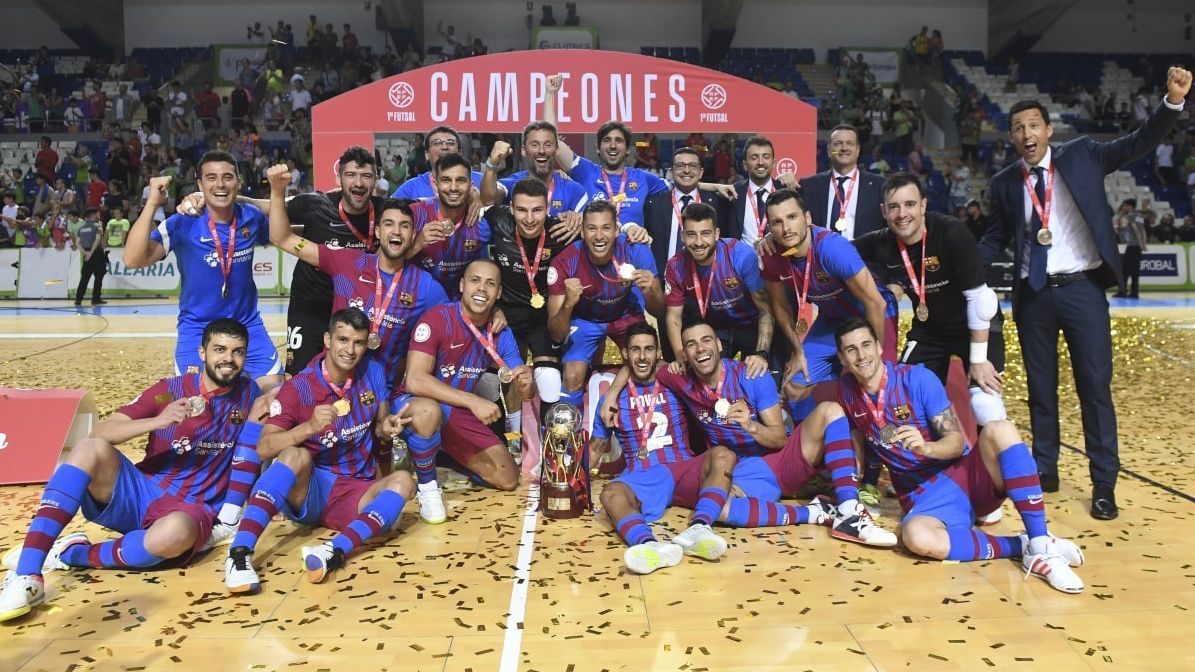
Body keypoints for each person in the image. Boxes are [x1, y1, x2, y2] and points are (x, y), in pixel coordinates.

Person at [979, 66, 1192, 520]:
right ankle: (1046, 468)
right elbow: (992, 239)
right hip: (1033, 294)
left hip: (1083, 290)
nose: (1026, 133)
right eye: (1018, 128)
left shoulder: (1083, 155)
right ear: (1012, 138)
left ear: (1048, 130)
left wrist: (1171, 102)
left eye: (1033, 124)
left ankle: (1103, 483)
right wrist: (958, 266)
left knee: (1094, 388)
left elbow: (1137, 142)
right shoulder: (1003, 184)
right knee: (1040, 388)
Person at [0, 319, 266, 620]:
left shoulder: (249, 393)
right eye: (220, 350)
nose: (228, 359)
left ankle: (72, 554)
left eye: (237, 352)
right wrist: (158, 421)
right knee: (89, 448)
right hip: (142, 490)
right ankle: (27, 575)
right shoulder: (168, 390)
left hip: (192, 508)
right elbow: (103, 430)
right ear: (202, 353)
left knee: (174, 534)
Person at [834, 318, 1086, 593]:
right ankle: (1024, 545)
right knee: (916, 538)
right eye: (851, 350)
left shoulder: (916, 379)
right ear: (842, 358)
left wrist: (926, 448)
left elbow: (955, 442)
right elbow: (868, 431)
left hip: (964, 477)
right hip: (924, 499)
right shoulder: (847, 391)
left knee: (1000, 429)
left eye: (866, 345)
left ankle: (1040, 543)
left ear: (880, 347)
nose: (861, 356)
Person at [601, 321, 896, 546]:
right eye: (691, 344)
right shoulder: (682, 379)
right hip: (738, 472)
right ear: (685, 354)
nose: (700, 349)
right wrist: (613, 391)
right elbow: (641, 364)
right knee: (720, 507)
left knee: (830, 410)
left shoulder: (750, 374)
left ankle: (848, 509)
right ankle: (816, 513)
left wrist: (751, 426)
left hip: (776, 461)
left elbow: (780, 438)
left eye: (706, 341)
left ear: (718, 345)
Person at [223, 309, 412, 592]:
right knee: (294, 454)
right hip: (312, 490)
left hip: (356, 490)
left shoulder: (373, 371)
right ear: (327, 339)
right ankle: (239, 553)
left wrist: (386, 428)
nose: (350, 350)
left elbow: (380, 424)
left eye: (358, 342)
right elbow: (263, 448)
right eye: (343, 340)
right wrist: (308, 427)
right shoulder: (299, 387)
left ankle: (333, 551)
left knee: (404, 481)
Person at [264, 165, 447, 384]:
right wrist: (276, 191)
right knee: (273, 402)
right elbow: (283, 238)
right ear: (378, 232)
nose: (396, 231)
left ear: (413, 233)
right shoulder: (347, 262)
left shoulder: (425, 286)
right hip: (331, 383)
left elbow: (455, 322)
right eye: (389, 224)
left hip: (379, 393)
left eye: (404, 226)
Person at [123, 151, 284, 390]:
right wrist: (152, 204)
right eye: (211, 178)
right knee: (195, 399)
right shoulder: (182, 222)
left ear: (238, 182)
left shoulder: (251, 217)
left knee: (274, 391)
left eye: (228, 177)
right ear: (199, 184)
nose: (220, 184)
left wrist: (274, 192)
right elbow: (132, 260)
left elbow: (285, 227)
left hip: (246, 324)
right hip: (198, 328)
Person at [854, 172, 1005, 399]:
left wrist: (979, 359)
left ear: (923, 205)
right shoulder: (879, 242)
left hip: (975, 328)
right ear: (883, 211)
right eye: (894, 207)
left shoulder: (951, 232)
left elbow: (980, 300)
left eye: (910, 204)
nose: (902, 214)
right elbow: (834, 251)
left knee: (986, 406)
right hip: (930, 331)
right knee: (902, 394)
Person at [398, 258, 534, 495]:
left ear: (499, 292)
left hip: (455, 408)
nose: (482, 288)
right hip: (414, 403)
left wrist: (526, 382)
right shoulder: (437, 318)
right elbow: (414, 380)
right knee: (429, 411)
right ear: (461, 285)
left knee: (508, 477)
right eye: (475, 281)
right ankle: (428, 489)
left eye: (490, 284)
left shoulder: (500, 332)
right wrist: (473, 401)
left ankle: (439, 458)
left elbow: (523, 387)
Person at [758, 189, 896, 424]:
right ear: (770, 228)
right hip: (832, 320)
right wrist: (798, 351)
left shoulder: (833, 249)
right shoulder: (772, 254)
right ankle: (822, 435)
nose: (786, 228)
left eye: (792, 217)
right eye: (777, 222)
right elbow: (780, 306)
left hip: (872, 316)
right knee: (792, 388)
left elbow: (876, 302)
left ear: (808, 218)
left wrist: (875, 354)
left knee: (873, 387)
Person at [547, 200, 662, 410]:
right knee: (572, 375)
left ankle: (643, 428)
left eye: (606, 228)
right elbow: (555, 334)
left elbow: (659, 310)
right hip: (585, 319)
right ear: (582, 232)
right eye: (592, 228)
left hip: (626, 315)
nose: (599, 236)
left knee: (647, 363)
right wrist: (568, 305)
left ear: (616, 230)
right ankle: (570, 435)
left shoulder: (636, 251)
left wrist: (650, 292)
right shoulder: (564, 261)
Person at [663, 202, 772, 370]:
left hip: (752, 325)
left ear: (716, 234)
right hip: (714, 329)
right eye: (691, 235)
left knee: (761, 377)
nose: (699, 242)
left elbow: (765, 310)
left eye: (705, 233)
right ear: (683, 236)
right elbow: (673, 317)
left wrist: (761, 354)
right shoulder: (675, 266)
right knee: (702, 379)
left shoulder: (741, 256)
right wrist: (681, 356)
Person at [407, 153, 491, 299]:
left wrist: (495, 309)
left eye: (461, 180)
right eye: (446, 180)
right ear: (435, 183)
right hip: (416, 302)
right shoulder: (415, 215)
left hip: (459, 307)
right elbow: (382, 262)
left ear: (470, 186)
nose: (453, 187)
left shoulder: (481, 222)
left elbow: (485, 270)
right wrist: (417, 244)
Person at [642, 146, 732, 275]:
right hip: (664, 280)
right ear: (671, 171)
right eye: (680, 166)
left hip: (707, 279)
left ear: (701, 172)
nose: (686, 170)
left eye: (692, 166)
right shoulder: (653, 204)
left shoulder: (717, 203)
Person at [479, 122, 589, 219]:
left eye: (548, 145)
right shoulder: (512, 183)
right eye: (535, 145)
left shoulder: (574, 190)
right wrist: (491, 164)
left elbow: (588, 228)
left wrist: (577, 220)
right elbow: (488, 201)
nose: (541, 150)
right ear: (523, 150)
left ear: (556, 150)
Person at [797, 125, 886, 239]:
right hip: (821, 255)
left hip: (863, 255)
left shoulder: (879, 185)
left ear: (858, 150)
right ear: (829, 151)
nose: (844, 148)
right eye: (838, 143)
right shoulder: (809, 186)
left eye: (850, 143)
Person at [391, 126, 483, 200]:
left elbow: (497, 189)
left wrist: (481, 198)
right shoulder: (411, 188)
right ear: (427, 154)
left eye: (450, 143)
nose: (444, 147)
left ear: (460, 152)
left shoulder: (480, 180)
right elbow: (388, 211)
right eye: (437, 143)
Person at [1113, 199, 1147, 299]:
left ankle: (1122, 291)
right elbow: (1143, 230)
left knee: (1125, 269)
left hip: (1132, 246)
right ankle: (1134, 292)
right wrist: (1143, 244)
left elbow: (1135, 229)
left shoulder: (1130, 215)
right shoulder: (1139, 216)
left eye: (1124, 205)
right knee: (1134, 270)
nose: (1123, 207)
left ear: (1129, 206)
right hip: (1137, 247)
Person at [74, 208, 107, 306]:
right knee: (98, 276)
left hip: (86, 254)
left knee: (84, 277)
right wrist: (91, 252)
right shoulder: (98, 225)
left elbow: (77, 243)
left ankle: (78, 299)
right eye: (97, 214)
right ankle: (95, 299)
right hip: (96, 253)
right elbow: (97, 240)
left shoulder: (81, 228)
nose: (98, 215)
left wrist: (85, 253)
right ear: (93, 215)